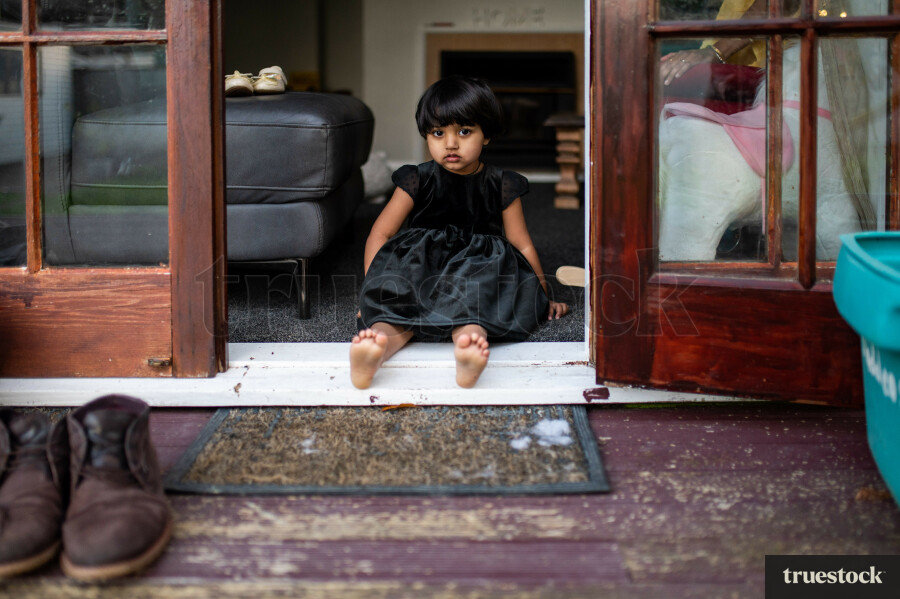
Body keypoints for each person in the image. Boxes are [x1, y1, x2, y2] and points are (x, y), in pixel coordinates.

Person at [350, 76, 568, 389]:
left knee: (474, 309)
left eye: (464, 131)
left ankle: (468, 351)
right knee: (396, 311)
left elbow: (522, 244)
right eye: (439, 133)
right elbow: (380, 235)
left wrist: (543, 294)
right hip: (419, 265)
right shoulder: (417, 179)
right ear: (427, 135)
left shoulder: (502, 184)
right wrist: (372, 289)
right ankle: (375, 349)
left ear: (487, 135)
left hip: (476, 269)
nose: (451, 143)